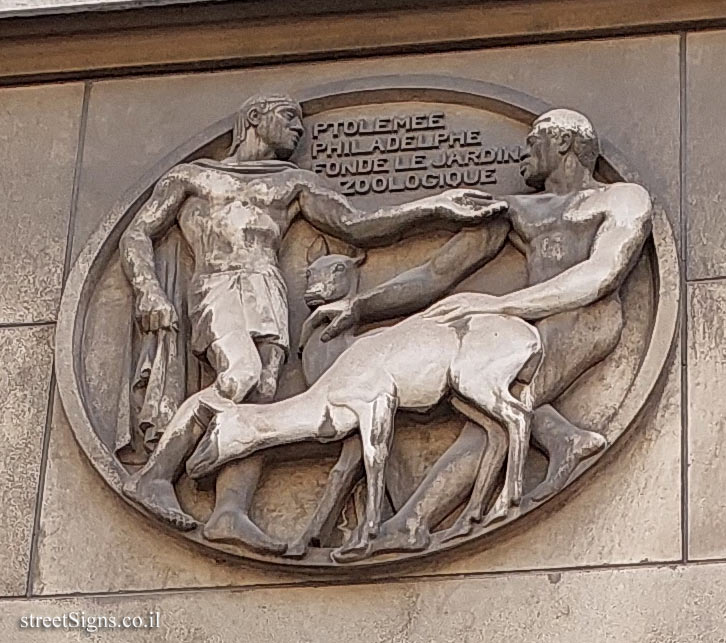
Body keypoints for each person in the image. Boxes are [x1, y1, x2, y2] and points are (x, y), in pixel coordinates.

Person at [119, 93, 499, 553]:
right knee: (239, 376)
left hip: (266, 290)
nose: (298, 129)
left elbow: (357, 226)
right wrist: (147, 290)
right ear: (255, 118)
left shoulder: (291, 184)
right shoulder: (195, 178)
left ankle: (229, 511)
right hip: (217, 284)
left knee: (262, 394)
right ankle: (157, 475)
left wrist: (435, 206)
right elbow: (139, 231)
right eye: (288, 118)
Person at [305, 108, 652, 551]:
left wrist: (501, 305)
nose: (524, 152)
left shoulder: (621, 200)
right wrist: (360, 306)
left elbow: (600, 276)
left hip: (585, 320)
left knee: (482, 408)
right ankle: (564, 439)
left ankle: (410, 521)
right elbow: (435, 274)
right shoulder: (515, 211)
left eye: (534, 141)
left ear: (564, 143)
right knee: (476, 387)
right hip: (523, 325)